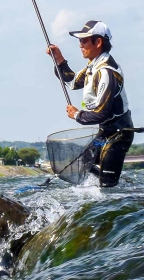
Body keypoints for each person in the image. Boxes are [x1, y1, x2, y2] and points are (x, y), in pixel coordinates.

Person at [46, 20, 134, 187]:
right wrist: (58, 59)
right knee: (87, 166)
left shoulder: (106, 71)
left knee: (107, 186)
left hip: (118, 134)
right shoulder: (93, 67)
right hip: (105, 132)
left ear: (98, 42)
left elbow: (103, 113)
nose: (80, 45)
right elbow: (72, 81)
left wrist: (77, 114)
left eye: (84, 40)